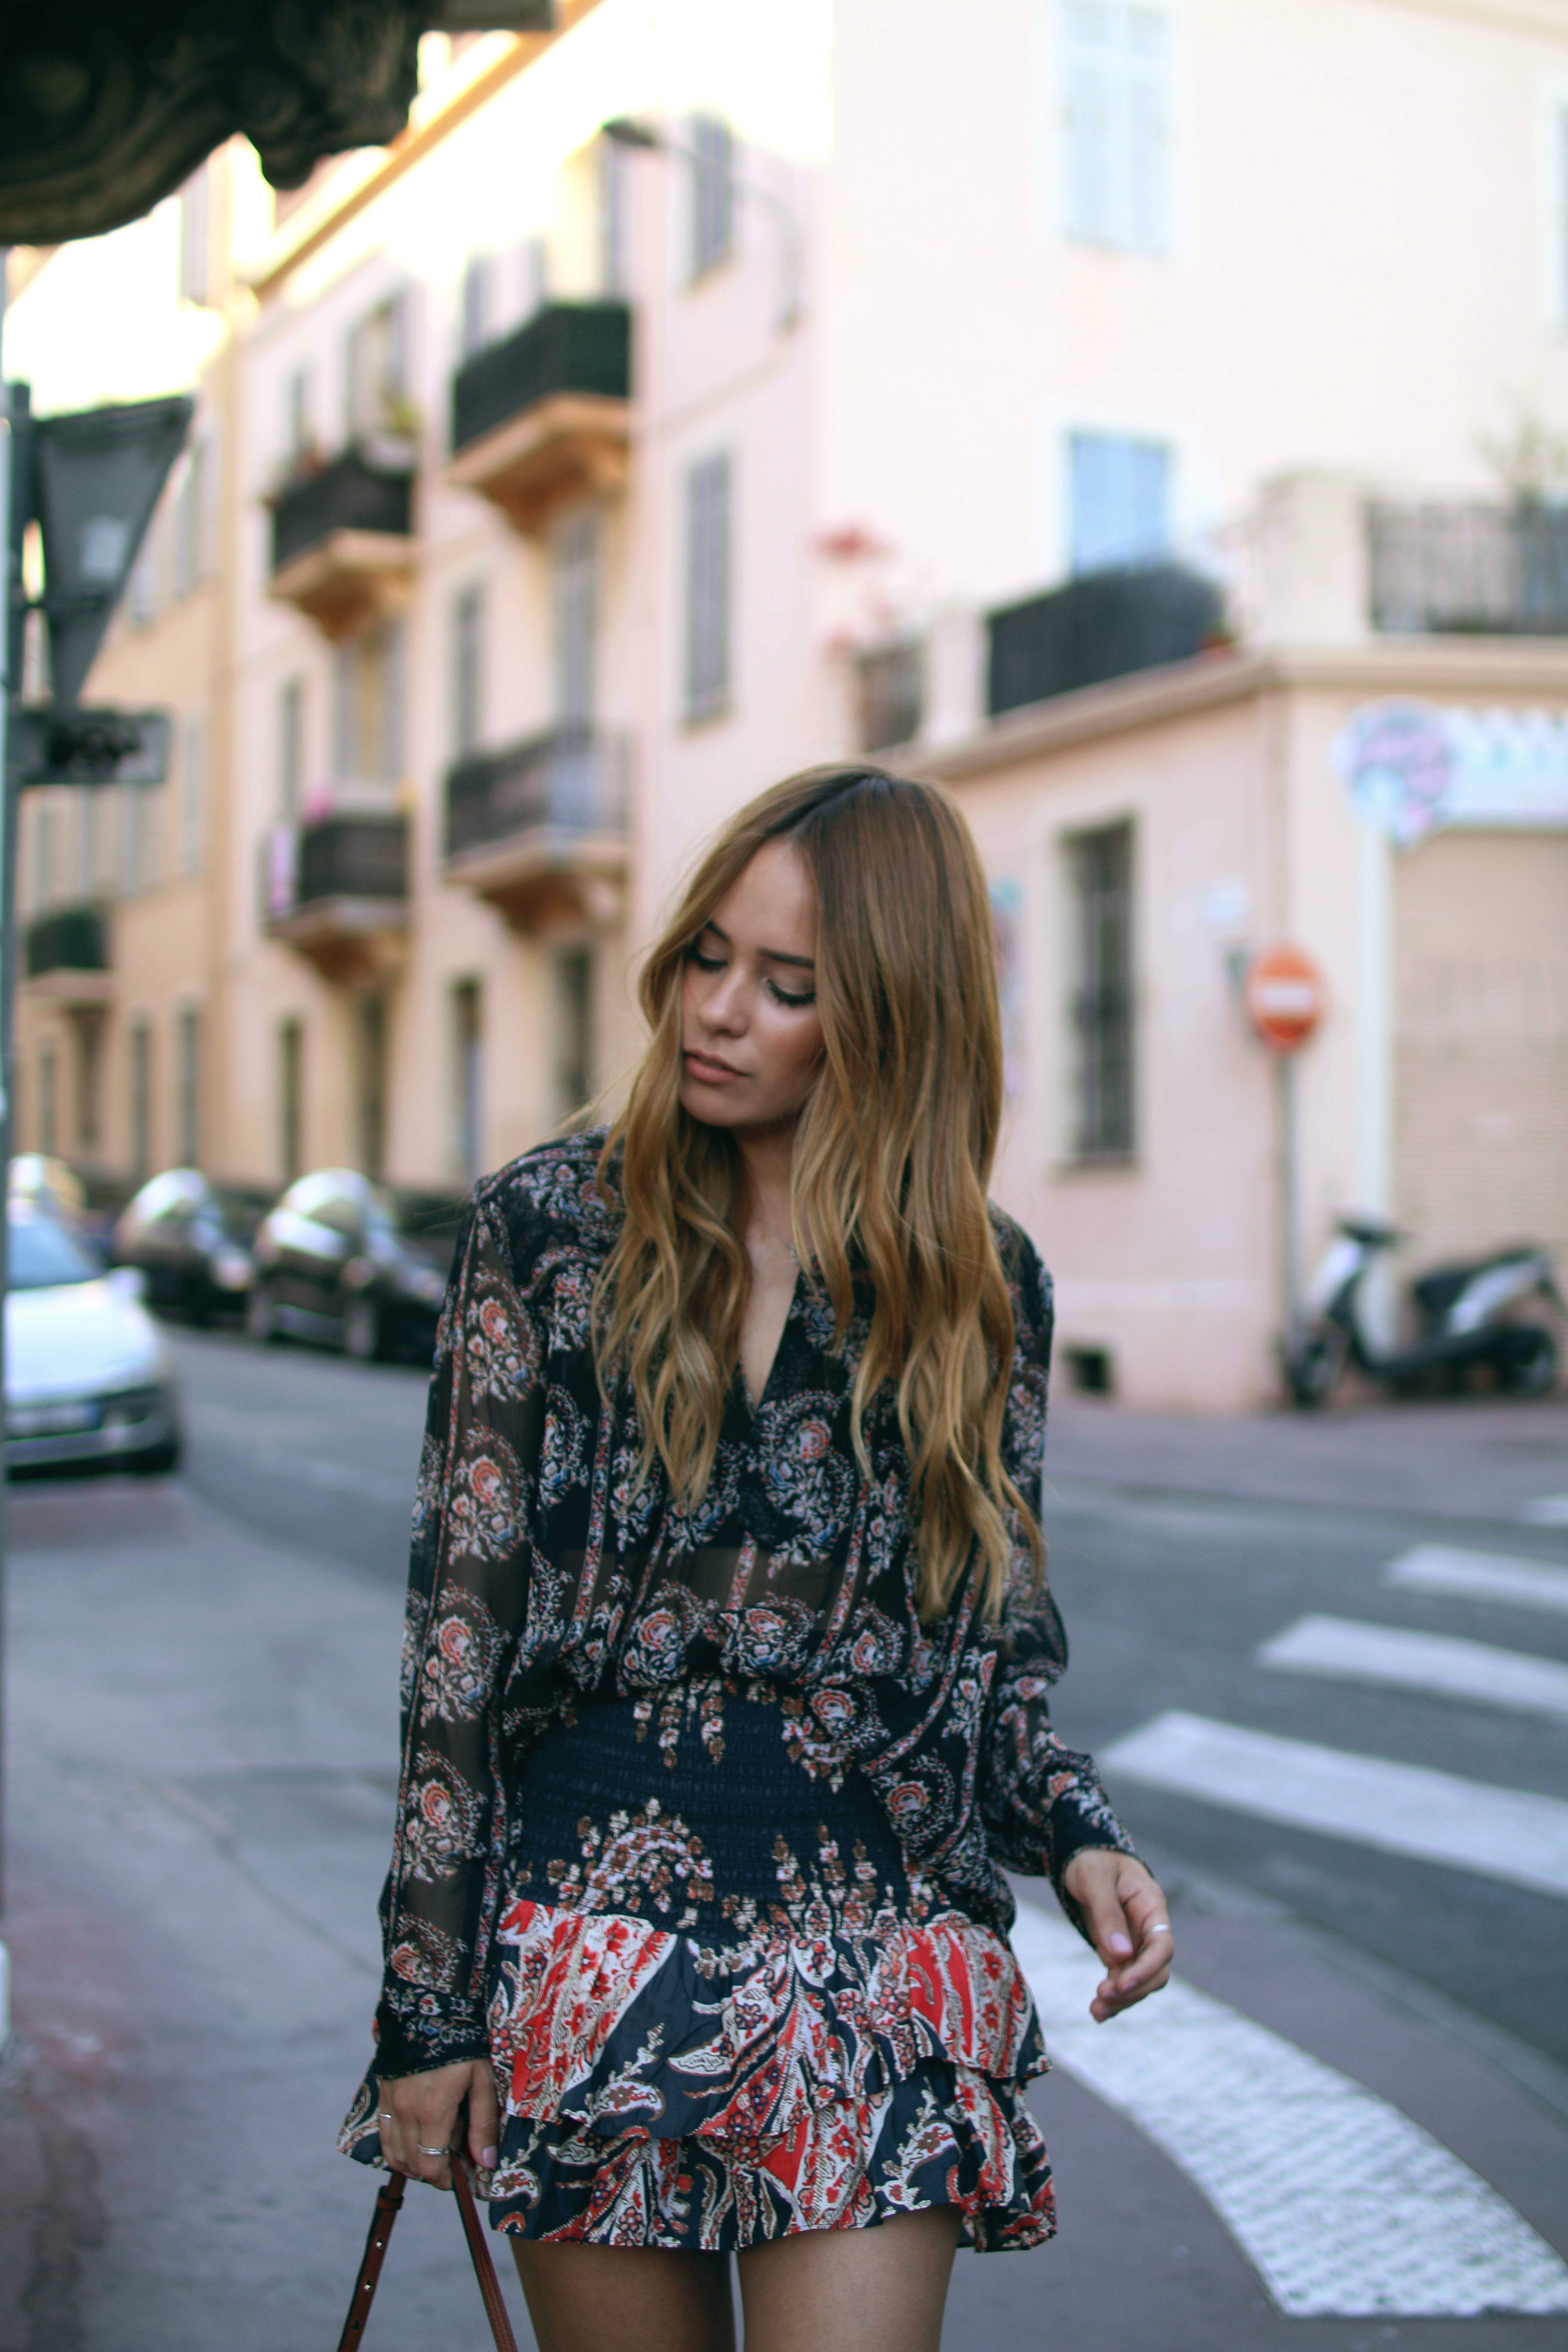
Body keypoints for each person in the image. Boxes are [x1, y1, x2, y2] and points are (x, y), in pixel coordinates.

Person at [340, 765, 1173, 2352]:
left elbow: (988, 1651)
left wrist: (1078, 1837)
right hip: (594, 1943)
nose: (717, 1012)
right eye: (707, 957)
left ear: (891, 1023)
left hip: (874, 1948)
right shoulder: (550, 1231)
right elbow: (458, 1646)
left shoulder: (979, 1287)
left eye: (788, 986)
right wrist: (428, 2010)